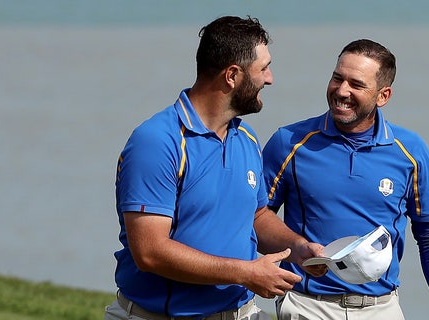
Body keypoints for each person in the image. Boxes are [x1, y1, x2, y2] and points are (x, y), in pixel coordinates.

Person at [104, 16, 325, 320]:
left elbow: (257, 215)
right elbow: (149, 252)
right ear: (232, 75)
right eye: (263, 68)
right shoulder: (157, 142)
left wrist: (296, 246)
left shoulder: (245, 137)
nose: (270, 78)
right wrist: (245, 273)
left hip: (241, 313)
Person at [262, 39, 429, 320]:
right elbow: (255, 218)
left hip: (382, 309)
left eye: (356, 84)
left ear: (383, 96)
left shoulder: (411, 152)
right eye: (337, 78)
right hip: (307, 305)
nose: (342, 91)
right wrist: (294, 249)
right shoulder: (289, 143)